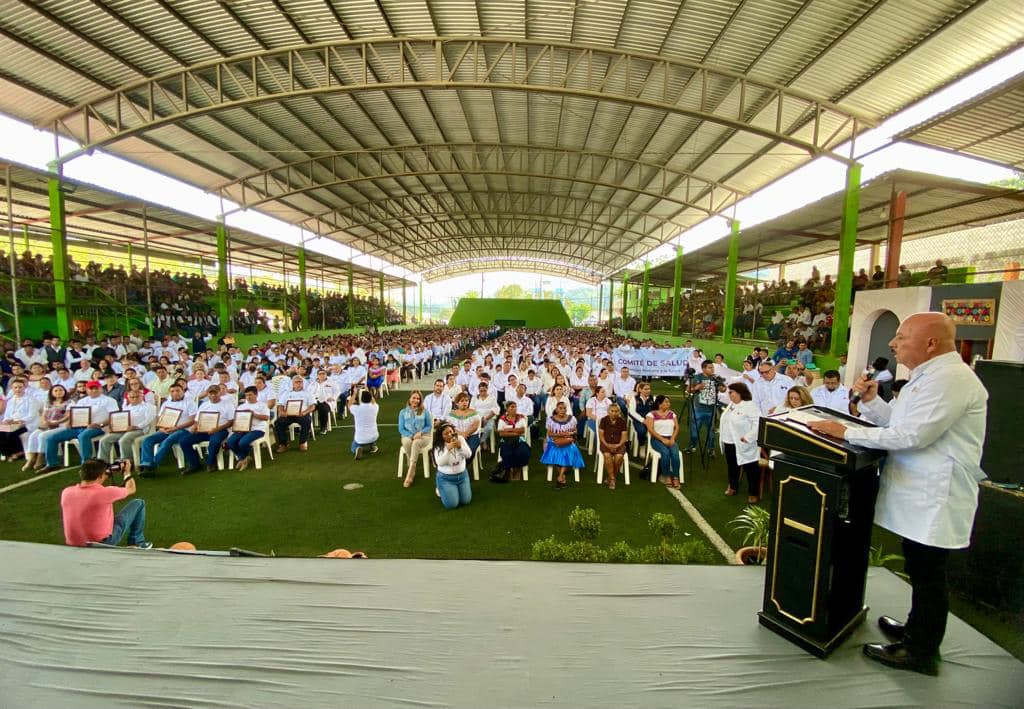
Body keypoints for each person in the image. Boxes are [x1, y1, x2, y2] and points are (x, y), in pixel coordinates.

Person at [807, 312, 987, 676]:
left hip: (936, 495)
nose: (893, 344)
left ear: (931, 343)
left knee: (929, 573)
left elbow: (912, 437)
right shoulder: (929, 377)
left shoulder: (950, 379)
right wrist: (872, 402)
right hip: (918, 492)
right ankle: (915, 628)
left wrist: (843, 433)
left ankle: (920, 651)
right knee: (918, 565)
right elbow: (899, 425)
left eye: (902, 337)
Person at [60, 458, 152, 549]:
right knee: (138, 503)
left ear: (81, 473)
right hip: (101, 544)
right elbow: (131, 488)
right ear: (101, 476)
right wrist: (126, 472)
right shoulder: (105, 492)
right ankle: (137, 542)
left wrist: (105, 472)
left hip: (73, 543)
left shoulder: (66, 492)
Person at [40, 380, 120, 472]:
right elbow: (76, 414)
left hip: (99, 427)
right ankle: (52, 463)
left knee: (83, 436)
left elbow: (113, 416)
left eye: (96, 388)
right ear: (87, 390)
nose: (93, 390)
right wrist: (70, 422)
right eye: (91, 388)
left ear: (101, 389)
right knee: (52, 438)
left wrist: (100, 424)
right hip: (79, 426)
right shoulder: (82, 401)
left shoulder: (109, 400)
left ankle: (86, 464)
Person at [719, 382, 762, 503]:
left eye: (731, 392)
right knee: (732, 466)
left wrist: (748, 437)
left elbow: (758, 424)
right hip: (729, 441)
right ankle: (733, 486)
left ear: (739, 393)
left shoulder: (750, 406)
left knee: (751, 468)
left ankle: (754, 493)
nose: (729, 394)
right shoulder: (731, 405)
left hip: (744, 443)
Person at [179, 384, 236, 474]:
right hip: (204, 430)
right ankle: (194, 464)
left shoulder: (228, 404)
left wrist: (217, 429)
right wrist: (195, 426)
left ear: (219, 393)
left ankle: (211, 463)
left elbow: (231, 421)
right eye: (210, 393)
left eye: (215, 393)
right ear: (208, 394)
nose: (213, 395)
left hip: (221, 429)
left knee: (215, 441)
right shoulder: (204, 405)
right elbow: (197, 419)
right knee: (184, 441)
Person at [96, 388, 156, 464]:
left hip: (140, 430)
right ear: (128, 398)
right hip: (124, 429)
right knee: (104, 439)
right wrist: (113, 428)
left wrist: (136, 426)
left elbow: (149, 420)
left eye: (137, 396)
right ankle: (103, 462)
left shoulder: (149, 407)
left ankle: (127, 462)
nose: (135, 399)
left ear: (142, 396)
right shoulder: (127, 407)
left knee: (123, 440)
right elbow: (120, 419)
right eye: (132, 397)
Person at [540, 400, 585, 488]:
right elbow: (549, 433)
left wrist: (570, 434)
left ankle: (560, 476)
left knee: (568, 450)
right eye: (560, 408)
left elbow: (575, 431)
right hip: (554, 441)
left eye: (564, 408)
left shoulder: (572, 419)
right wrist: (561, 434)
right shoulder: (551, 419)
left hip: (568, 441)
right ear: (556, 409)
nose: (562, 410)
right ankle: (562, 476)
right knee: (554, 451)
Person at [226, 385, 271, 471]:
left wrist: (253, 414)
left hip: (257, 429)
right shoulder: (241, 406)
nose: (248, 397)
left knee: (242, 442)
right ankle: (243, 458)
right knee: (230, 442)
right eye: (246, 395)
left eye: (250, 395)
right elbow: (237, 419)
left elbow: (266, 417)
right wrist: (238, 428)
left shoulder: (262, 405)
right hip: (243, 429)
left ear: (256, 395)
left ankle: (242, 459)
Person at [685, 360, 722, 454]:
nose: (712, 369)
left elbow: (723, 388)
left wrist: (721, 387)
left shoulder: (716, 378)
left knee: (711, 432)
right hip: (698, 409)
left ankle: (711, 449)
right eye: (710, 367)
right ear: (703, 368)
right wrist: (696, 388)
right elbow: (688, 390)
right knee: (694, 430)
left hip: (711, 409)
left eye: (713, 367)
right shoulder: (697, 377)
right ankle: (692, 446)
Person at [433, 422, 472, 510]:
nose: (450, 435)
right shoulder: (439, 445)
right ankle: (440, 489)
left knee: (466, 501)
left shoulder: (460, 439)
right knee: (452, 505)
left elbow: (469, 454)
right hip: (446, 478)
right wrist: (447, 449)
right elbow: (440, 463)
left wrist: (460, 447)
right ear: (441, 436)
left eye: (451, 431)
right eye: (446, 434)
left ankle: (455, 490)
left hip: (462, 476)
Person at [0, 378, 41, 461]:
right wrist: (7, 420)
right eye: (15, 387)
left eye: (20, 387)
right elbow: (7, 414)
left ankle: (18, 452)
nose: (18, 389)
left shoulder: (31, 399)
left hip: (27, 423)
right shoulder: (11, 400)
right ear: (12, 388)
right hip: (13, 423)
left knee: (11, 434)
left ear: (24, 388)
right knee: (1, 432)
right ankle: (8, 452)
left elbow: (32, 415)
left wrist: (19, 421)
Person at [646, 395, 681, 488]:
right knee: (665, 453)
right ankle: (667, 476)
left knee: (675, 454)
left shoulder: (672, 414)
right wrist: (662, 439)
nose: (668, 404)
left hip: (670, 438)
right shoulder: (651, 414)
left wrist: (672, 438)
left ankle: (676, 477)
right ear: (659, 404)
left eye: (668, 402)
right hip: (657, 439)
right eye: (665, 402)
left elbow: (677, 427)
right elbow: (650, 429)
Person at [274, 376, 316, 453]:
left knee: (307, 421)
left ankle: (302, 442)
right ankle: (284, 444)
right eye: (296, 382)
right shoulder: (286, 393)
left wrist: (305, 412)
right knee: (278, 422)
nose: (299, 384)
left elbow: (312, 406)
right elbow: (280, 405)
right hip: (288, 415)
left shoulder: (307, 393)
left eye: (300, 382)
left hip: (302, 414)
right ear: (292, 384)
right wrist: (281, 412)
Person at [398, 391, 432, 487]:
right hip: (407, 435)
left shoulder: (425, 411)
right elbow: (401, 429)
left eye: (418, 399)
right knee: (407, 443)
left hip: (423, 436)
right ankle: (412, 465)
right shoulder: (403, 412)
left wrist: (420, 433)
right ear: (409, 399)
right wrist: (411, 436)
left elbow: (429, 426)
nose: (416, 400)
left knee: (416, 443)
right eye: (414, 398)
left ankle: (411, 471)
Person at [496, 400, 531, 481]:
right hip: (506, 440)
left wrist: (508, 430)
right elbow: (501, 433)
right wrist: (515, 432)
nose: (514, 409)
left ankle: (517, 469)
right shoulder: (502, 419)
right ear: (507, 409)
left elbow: (522, 430)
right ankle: (510, 469)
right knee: (506, 452)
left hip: (519, 440)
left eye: (515, 407)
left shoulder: (521, 417)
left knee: (523, 451)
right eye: (512, 407)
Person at [598, 401, 628, 490]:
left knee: (619, 457)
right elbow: (601, 435)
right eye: (612, 411)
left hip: (619, 444)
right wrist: (607, 445)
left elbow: (624, 436)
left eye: (616, 411)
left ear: (619, 412)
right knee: (607, 456)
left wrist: (618, 445)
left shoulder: (622, 421)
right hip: (606, 443)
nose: (614, 413)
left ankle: (611, 477)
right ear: (608, 411)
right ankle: (612, 478)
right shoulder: (604, 420)